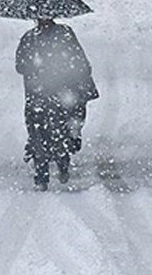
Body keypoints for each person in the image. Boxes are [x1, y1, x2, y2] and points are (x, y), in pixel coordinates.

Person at [15, 17, 98, 190]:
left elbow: (20, 66)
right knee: (59, 131)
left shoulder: (30, 38)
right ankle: (60, 165)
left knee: (39, 133)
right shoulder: (65, 35)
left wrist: (37, 68)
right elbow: (79, 61)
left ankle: (43, 175)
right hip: (60, 94)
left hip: (38, 95)